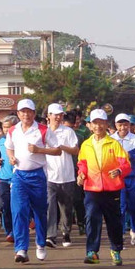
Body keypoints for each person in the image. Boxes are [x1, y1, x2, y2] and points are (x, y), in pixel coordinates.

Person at [5, 99, 60, 264]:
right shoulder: (13, 130)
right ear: (18, 113)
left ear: (34, 113)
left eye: (29, 111)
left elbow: (57, 150)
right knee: (19, 211)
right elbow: (9, 147)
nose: (26, 114)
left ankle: (41, 244)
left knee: (39, 211)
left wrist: (39, 150)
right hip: (19, 175)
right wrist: (11, 157)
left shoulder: (43, 129)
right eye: (23, 111)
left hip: (37, 175)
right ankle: (21, 249)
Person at [76, 109, 130, 265]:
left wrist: (119, 170)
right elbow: (82, 163)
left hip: (112, 188)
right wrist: (81, 174)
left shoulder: (114, 143)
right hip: (92, 188)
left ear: (106, 124)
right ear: (90, 125)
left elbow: (126, 164)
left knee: (113, 221)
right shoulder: (86, 144)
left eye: (101, 123)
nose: (98, 126)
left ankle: (116, 250)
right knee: (91, 218)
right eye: (95, 123)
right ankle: (92, 252)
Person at [45, 104, 79, 249]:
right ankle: (50, 236)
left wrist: (62, 147)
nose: (58, 117)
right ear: (49, 116)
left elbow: (76, 150)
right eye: (55, 115)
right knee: (50, 207)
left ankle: (66, 232)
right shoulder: (43, 131)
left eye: (60, 115)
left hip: (66, 176)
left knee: (66, 208)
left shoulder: (68, 131)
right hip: (49, 176)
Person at [110, 113, 135, 246]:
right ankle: (121, 233)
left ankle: (134, 231)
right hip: (117, 178)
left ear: (129, 125)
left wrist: (131, 155)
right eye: (120, 125)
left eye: (125, 124)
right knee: (121, 207)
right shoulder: (111, 139)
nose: (123, 127)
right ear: (116, 125)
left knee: (133, 207)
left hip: (132, 177)